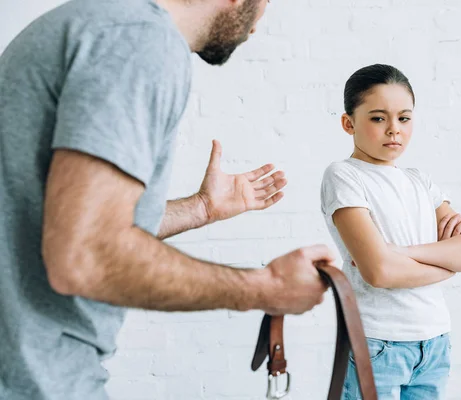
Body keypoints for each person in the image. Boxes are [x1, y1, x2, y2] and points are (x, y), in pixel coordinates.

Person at [0, 1, 334, 399]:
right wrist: (266, 287)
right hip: (36, 381)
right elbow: (85, 255)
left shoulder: (101, 23)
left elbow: (58, 223)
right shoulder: (142, 41)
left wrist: (201, 208)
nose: (257, 25)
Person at [320, 64, 461, 399]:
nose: (394, 129)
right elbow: (379, 272)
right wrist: (447, 265)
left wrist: (400, 252)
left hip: (435, 341)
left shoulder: (419, 181)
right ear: (348, 123)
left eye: (404, 118)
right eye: (378, 118)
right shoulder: (344, 176)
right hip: (378, 342)